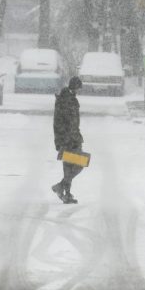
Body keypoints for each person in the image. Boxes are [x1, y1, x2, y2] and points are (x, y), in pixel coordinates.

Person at [52, 76, 83, 204]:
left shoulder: (67, 98)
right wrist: (69, 139)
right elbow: (65, 123)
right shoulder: (67, 100)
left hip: (69, 138)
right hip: (69, 139)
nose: (79, 90)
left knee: (69, 166)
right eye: (79, 88)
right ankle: (64, 189)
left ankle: (64, 190)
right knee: (78, 164)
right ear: (75, 87)